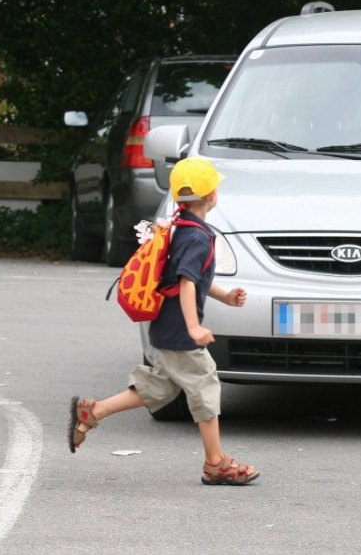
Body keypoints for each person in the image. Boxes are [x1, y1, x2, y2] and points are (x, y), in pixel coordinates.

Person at [67, 157, 260, 486]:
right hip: (179, 333)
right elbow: (186, 283)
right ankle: (215, 463)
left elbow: (193, 279)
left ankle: (93, 411)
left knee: (160, 386)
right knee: (206, 385)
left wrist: (225, 296)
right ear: (212, 195)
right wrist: (194, 328)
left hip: (165, 328)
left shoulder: (179, 227)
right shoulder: (198, 237)